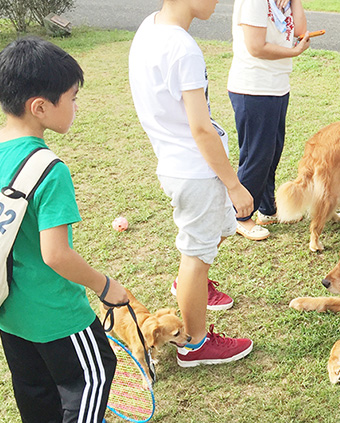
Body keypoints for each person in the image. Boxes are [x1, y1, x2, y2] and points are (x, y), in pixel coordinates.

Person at [0, 36, 129, 422]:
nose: (76, 106)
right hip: (58, 316)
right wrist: (106, 286)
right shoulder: (49, 169)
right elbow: (56, 254)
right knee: (95, 372)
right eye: (72, 98)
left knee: (35, 393)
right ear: (40, 107)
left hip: (10, 314)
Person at [129, 0, 254, 367]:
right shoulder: (182, 47)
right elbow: (200, 127)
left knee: (205, 242)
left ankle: (190, 290)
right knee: (196, 253)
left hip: (174, 161)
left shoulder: (148, 28)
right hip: (194, 168)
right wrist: (234, 185)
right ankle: (195, 344)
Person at [227, 0, 311, 239]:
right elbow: (256, 47)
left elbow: (300, 32)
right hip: (253, 87)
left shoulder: (282, 2)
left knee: (272, 151)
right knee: (256, 155)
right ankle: (240, 215)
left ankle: (267, 208)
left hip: (277, 85)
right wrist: (294, 51)